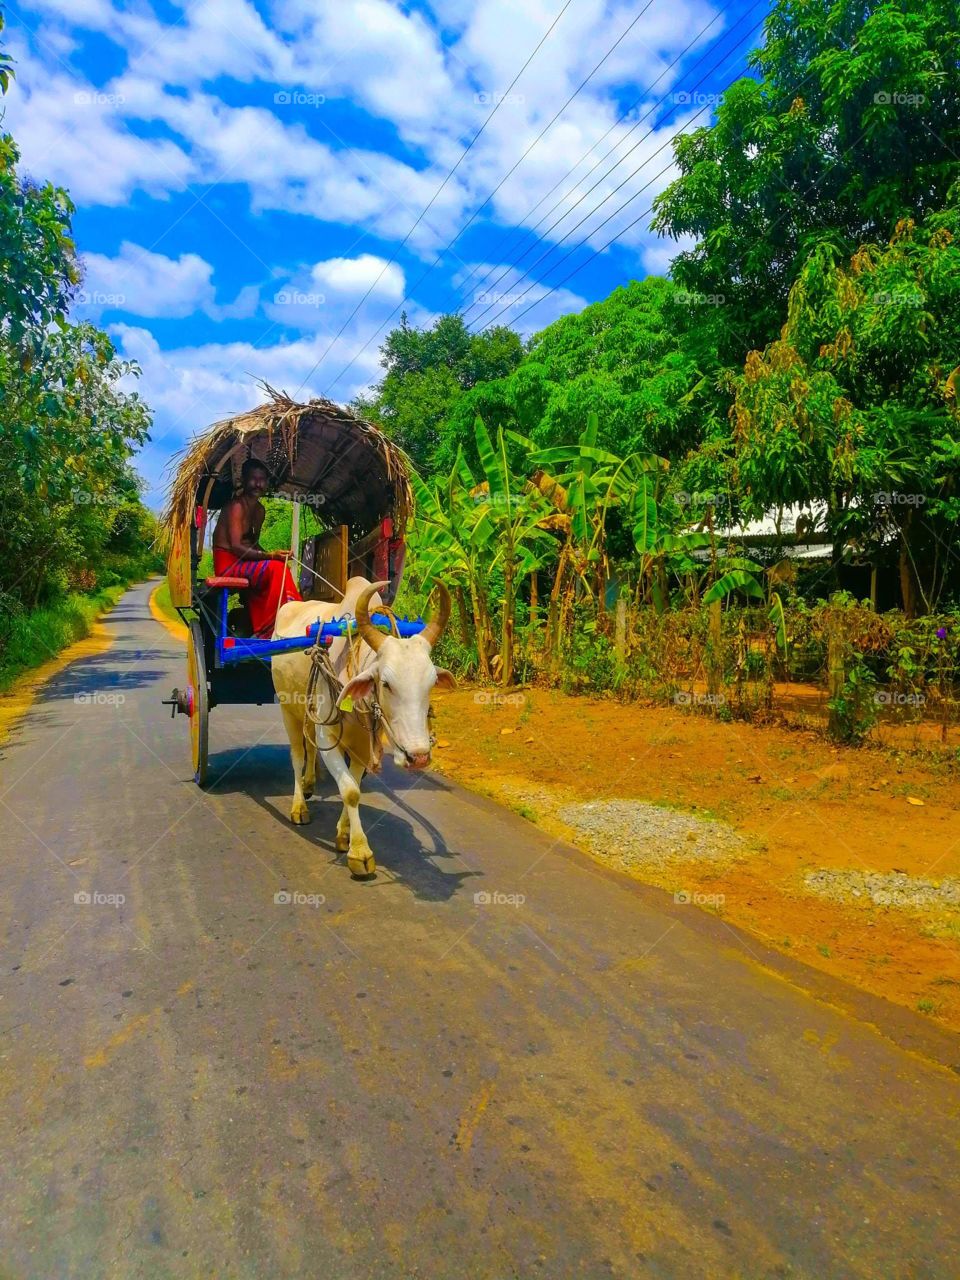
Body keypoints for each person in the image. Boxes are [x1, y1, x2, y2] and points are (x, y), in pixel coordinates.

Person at [212, 458, 302, 636]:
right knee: (276, 568)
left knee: (279, 566)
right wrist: (271, 556)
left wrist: (277, 555)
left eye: (262, 480)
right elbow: (237, 547)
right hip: (228, 564)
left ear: (266, 483)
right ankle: (275, 626)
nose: (258, 484)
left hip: (245, 562)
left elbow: (253, 544)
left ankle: (285, 618)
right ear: (243, 480)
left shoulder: (260, 510)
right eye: (253, 479)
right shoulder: (236, 506)